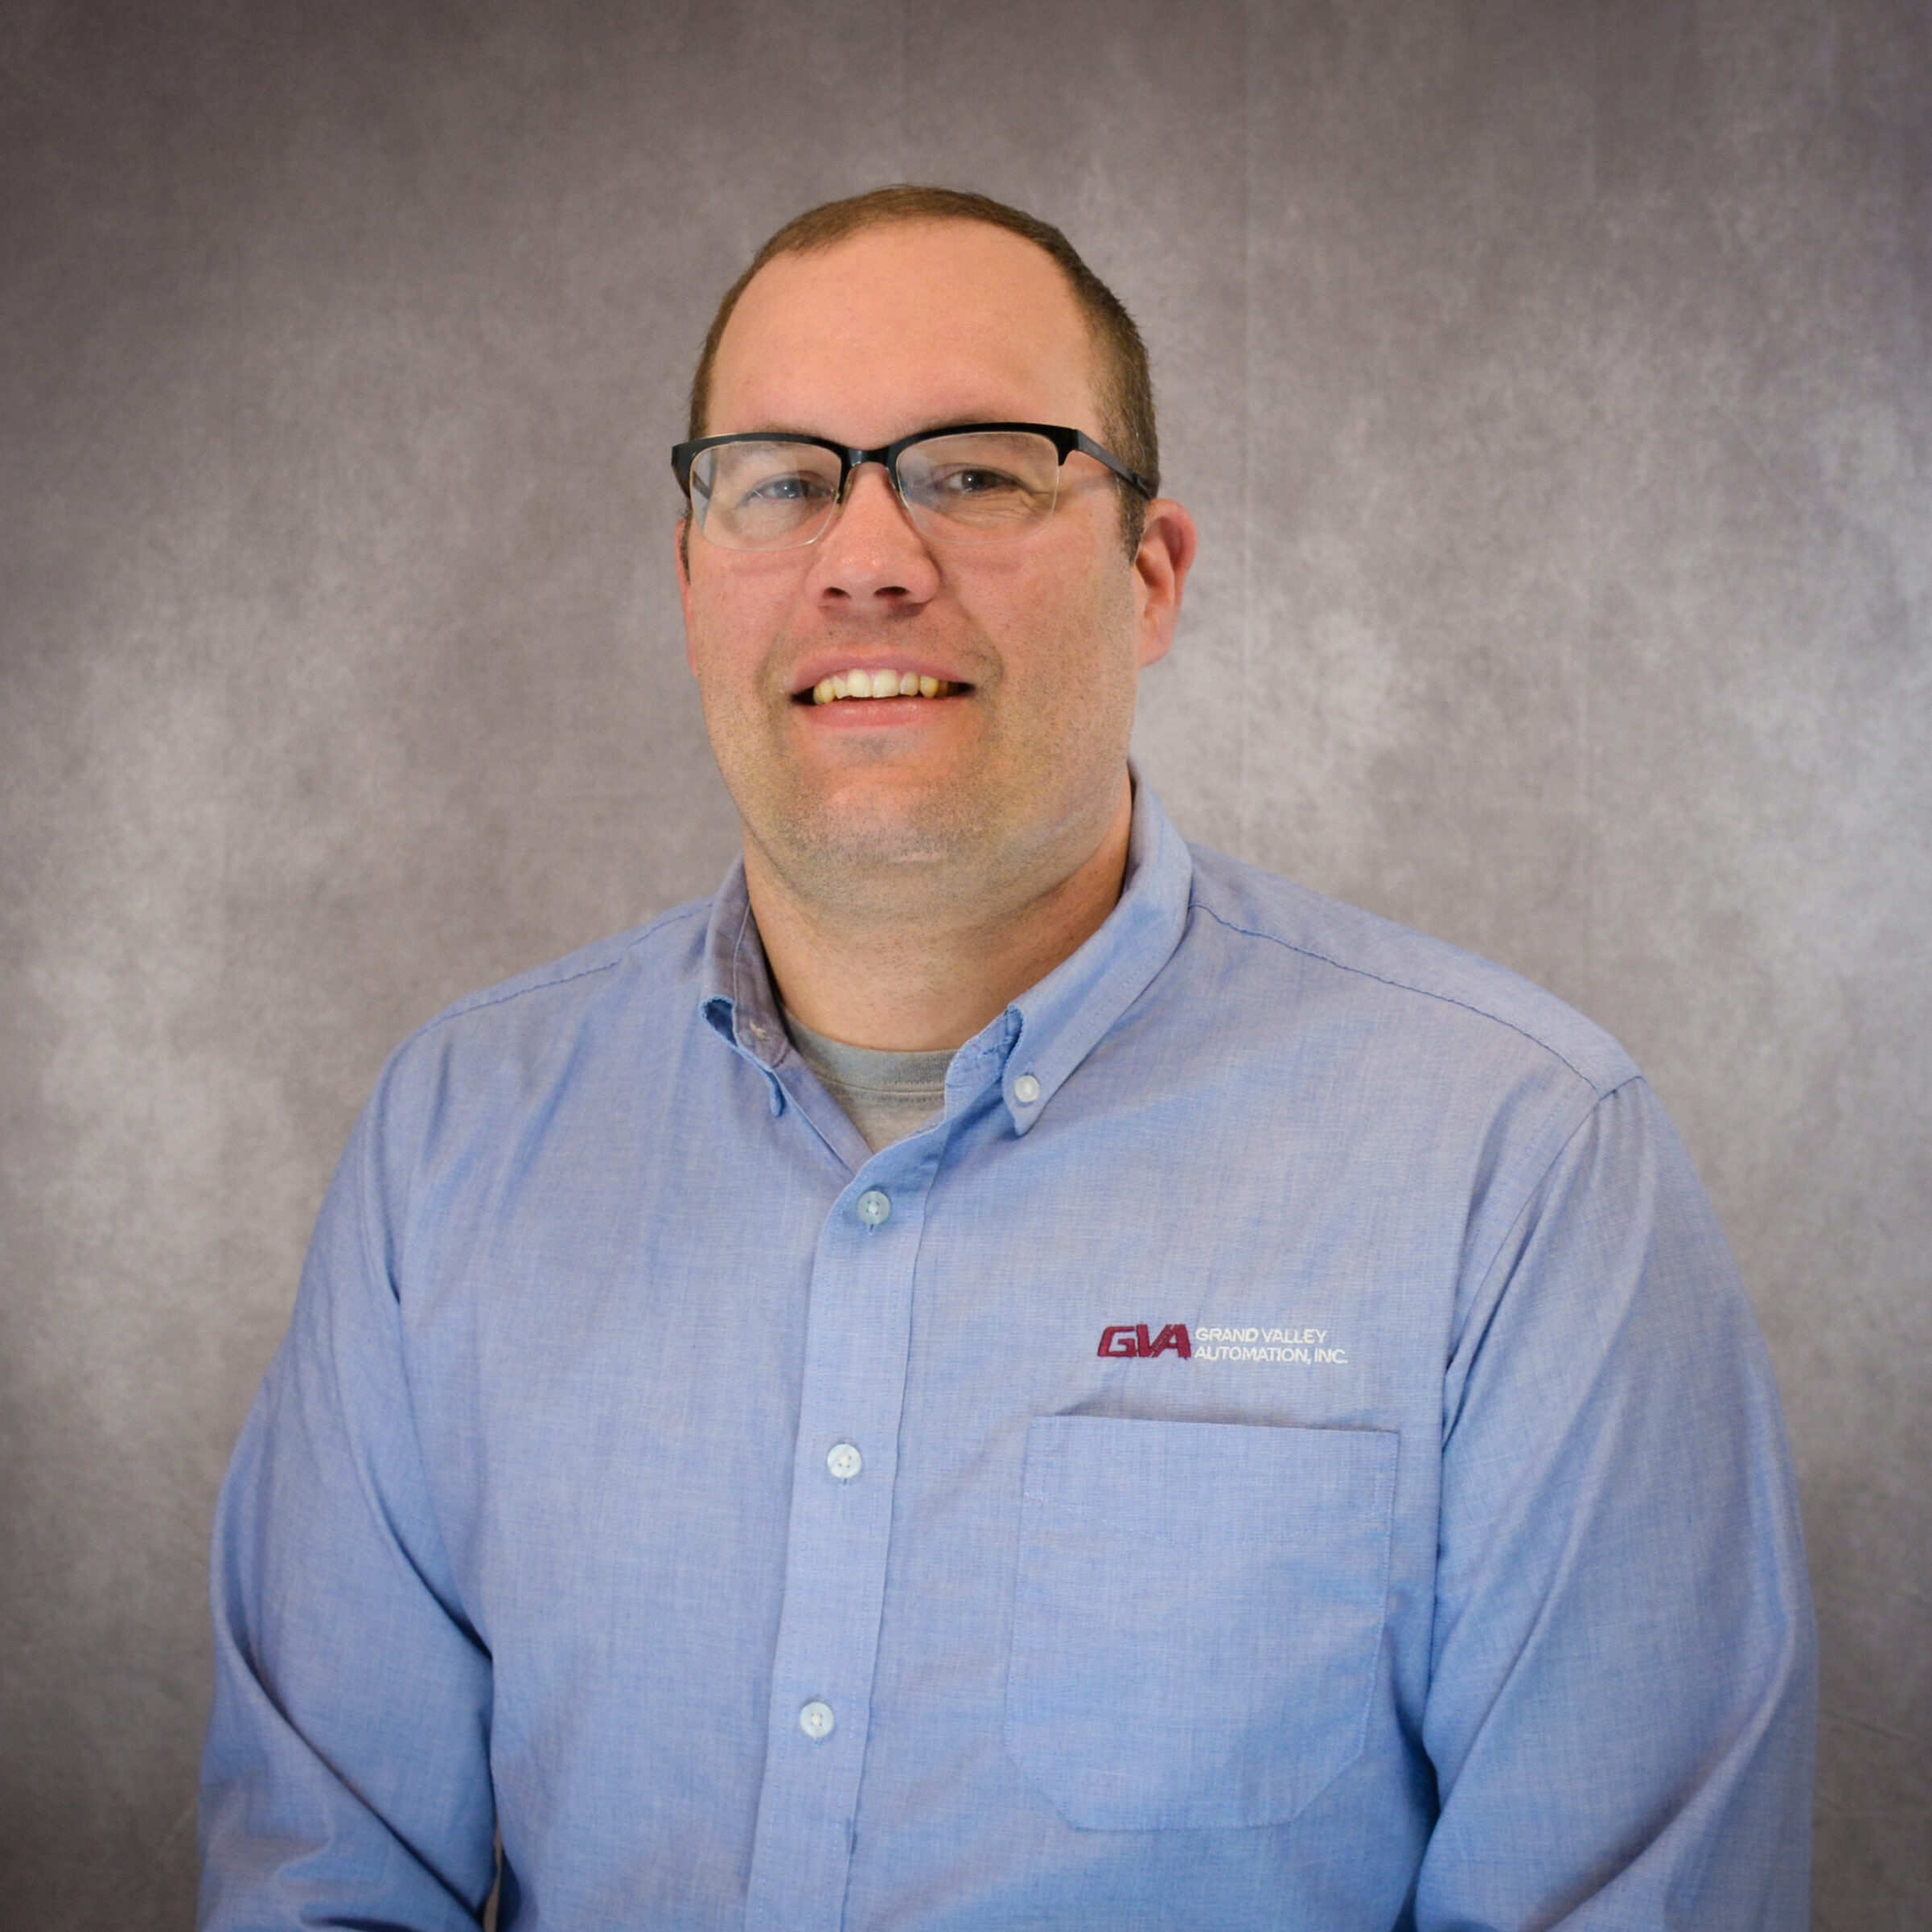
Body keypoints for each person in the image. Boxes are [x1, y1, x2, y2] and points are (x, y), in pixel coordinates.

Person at [199, 186, 1815, 1930]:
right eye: (779, 481)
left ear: (1152, 575)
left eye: (974, 471)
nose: (867, 557)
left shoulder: (1522, 1167)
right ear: (688, 580)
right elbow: (322, 1889)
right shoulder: (454, 1141)